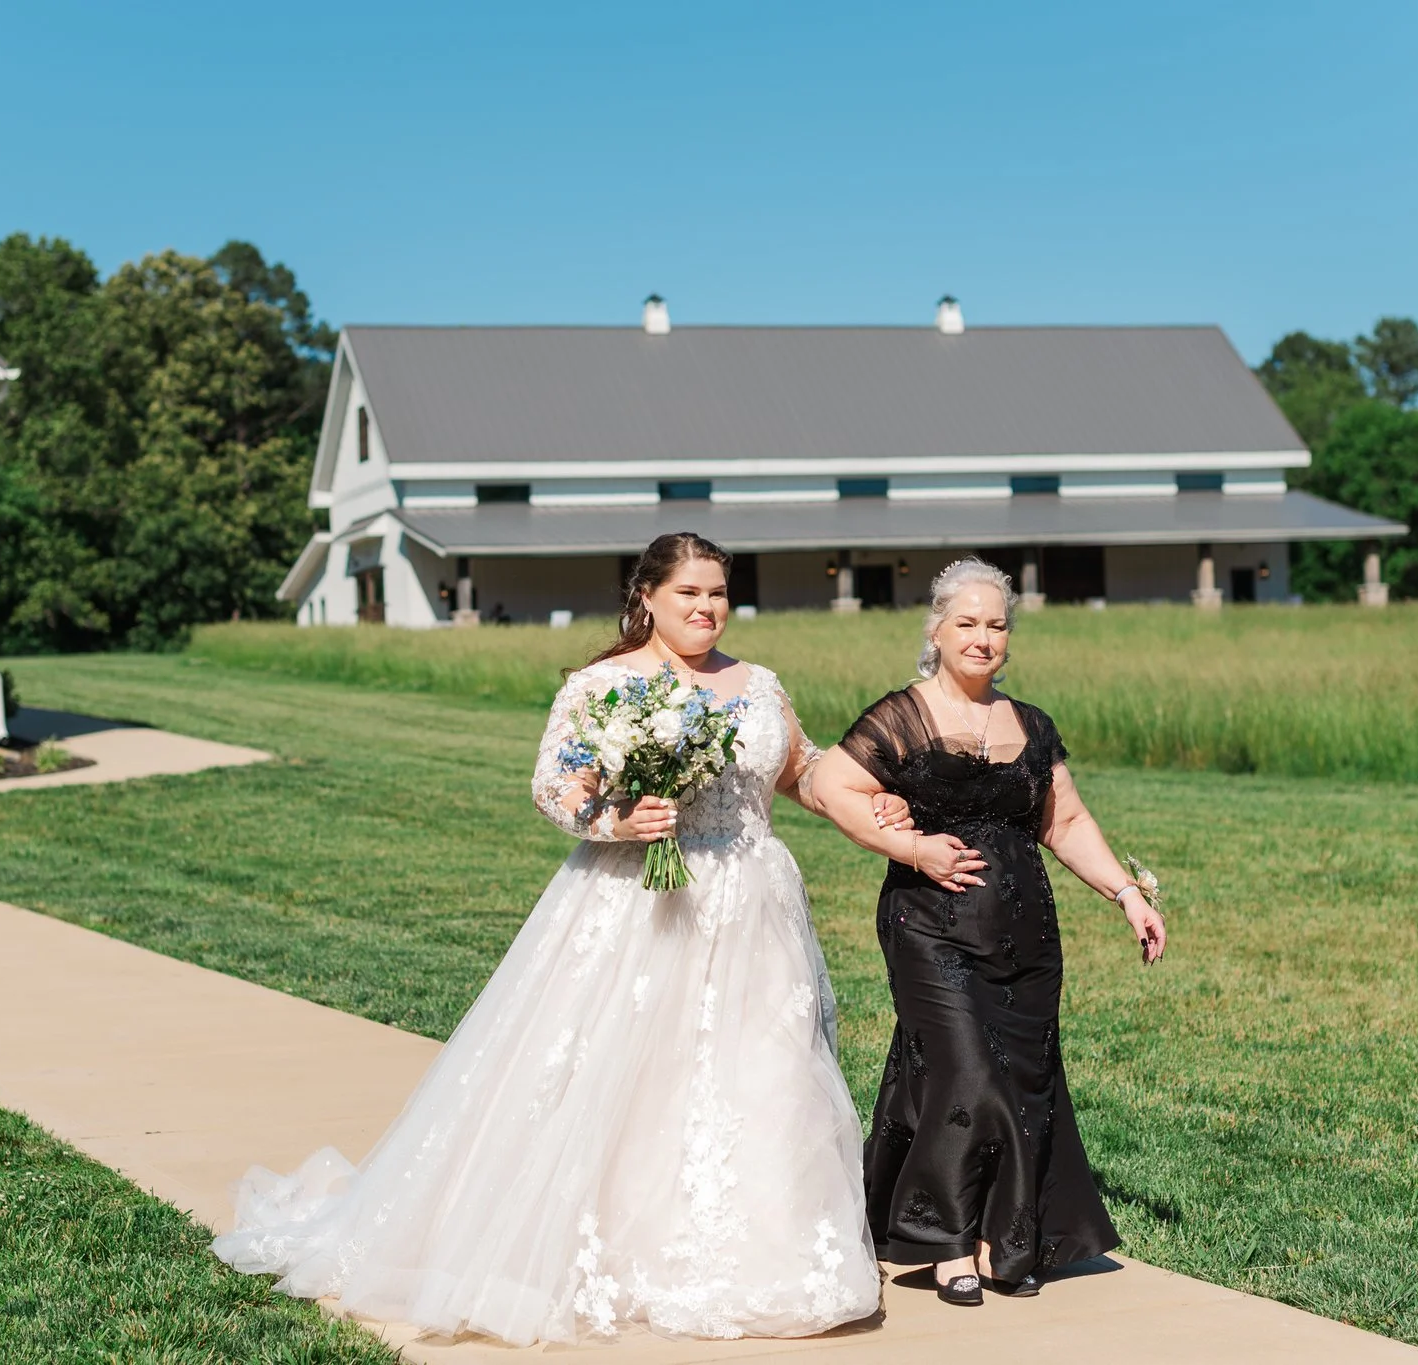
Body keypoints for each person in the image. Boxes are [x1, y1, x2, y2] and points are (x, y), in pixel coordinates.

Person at [214, 532, 907, 1345]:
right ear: (647, 595)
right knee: (621, 1070)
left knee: (762, 1070)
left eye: (719, 592)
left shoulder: (757, 686)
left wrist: (868, 798)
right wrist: (615, 819)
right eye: (689, 593)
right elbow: (553, 784)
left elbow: (801, 771)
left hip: (753, 907)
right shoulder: (602, 687)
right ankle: (608, 1243)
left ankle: (769, 1252)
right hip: (637, 904)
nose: (707, 608)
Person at [808, 557, 1166, 1308]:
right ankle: (944, 1241)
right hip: (929, 926)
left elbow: (1063, 821)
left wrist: (1127, 894)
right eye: (965, 623)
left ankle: (995, 1239)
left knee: (1020, 1083)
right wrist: (909, 845)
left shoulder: (1031, 725)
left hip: (1026, 934)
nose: (982, 637)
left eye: (996, 624)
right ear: (935, 630)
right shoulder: (901, 716)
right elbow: (829, 784)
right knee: (967, 1072)